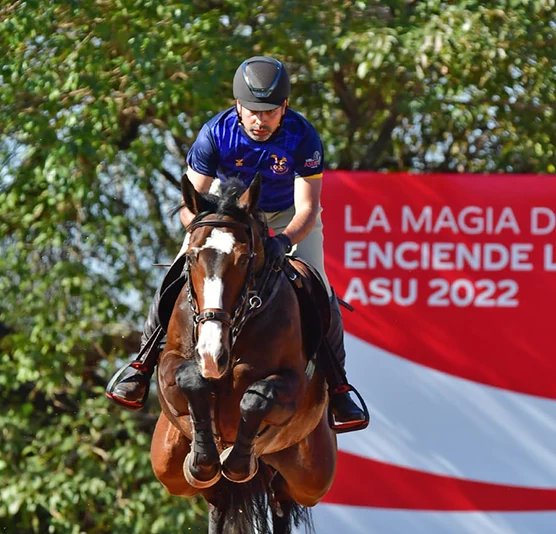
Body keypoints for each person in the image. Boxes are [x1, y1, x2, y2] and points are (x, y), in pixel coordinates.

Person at [106, 55, 367, 433]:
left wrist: (285, 241)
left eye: (270, 112)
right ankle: (142, 364)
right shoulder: (215, 134)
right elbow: (188, 203)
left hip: (284, 216)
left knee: (319, 287)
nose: (261, 121)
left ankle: (339, 386)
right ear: (238, 106)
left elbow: (308, 207)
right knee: (177, 274)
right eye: (252, 111)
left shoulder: (303, 136)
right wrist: (203, 228)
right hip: (224, 216)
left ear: (285, 108)